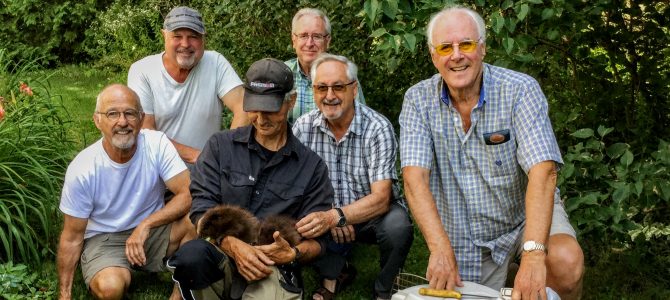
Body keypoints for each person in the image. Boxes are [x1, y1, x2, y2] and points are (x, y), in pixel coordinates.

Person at [399, 6, 584, 300]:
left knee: (564, 263)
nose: (456, 55)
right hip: (464, 230)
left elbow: (543, 170)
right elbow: (414, 178)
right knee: (471, 294)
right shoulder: (417, 100)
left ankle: (525, 267)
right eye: (446, 47)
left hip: (525, 215)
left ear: (482, 49)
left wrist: (535, 255)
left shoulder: (520, 90)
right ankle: (510, 275)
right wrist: (439, 248)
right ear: (434, 57)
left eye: (467, 44)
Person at [166, 58, 335, 300]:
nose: (261, 118)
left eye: (271, 110)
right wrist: (232, 244)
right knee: (192, 257)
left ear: (291, 101)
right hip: (220, 250)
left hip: (272, 263)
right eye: (254, 108)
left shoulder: (312, 167)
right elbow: (200, 209)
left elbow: (319, 243)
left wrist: (292, 254)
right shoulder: (220, 146)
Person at [292, 54, 413, 300]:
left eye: (338, 86)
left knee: (398, 228)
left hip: (372, 214)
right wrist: (329, 215)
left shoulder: (377, 127)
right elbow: (296, 188)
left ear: (354, 89)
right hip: (327, 209)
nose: (330, 95)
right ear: (313, 91)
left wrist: (338, 216)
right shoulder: (303, 128)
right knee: (294, 220)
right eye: (321, 87)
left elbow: (381, 198)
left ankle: (385, 289)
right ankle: (336, 273)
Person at [56, 84, 194, 300]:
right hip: (105, 238)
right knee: (110, 289)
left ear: (140, 118)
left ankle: (179, 293)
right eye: (112, 114)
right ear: (97, 120)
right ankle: (115, 270)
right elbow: (72, 237)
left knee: (196, 219)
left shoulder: (157, 144)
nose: (123, 122)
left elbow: (188, 193)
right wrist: (64, 295)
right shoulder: (83, 168)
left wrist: (145, 225)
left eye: (130, 113)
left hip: (152, 231)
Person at [128, 6, 247, 166]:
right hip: (158, 172)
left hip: (208, 175)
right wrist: (201, 157)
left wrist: (226, 153)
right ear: (164, 35)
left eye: (193, 36)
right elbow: (147, 132)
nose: (185, 44)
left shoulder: (215, 63)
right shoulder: (142, 70)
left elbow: (244, 107)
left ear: (203, 39)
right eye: (177, 36)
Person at [285, 8, 365, 124]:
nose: (309, 43)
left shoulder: (344, 74)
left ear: (327, 41)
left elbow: (361, 120)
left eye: (317, 36)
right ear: (294, 40)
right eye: (303, 36)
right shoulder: (281, 74)